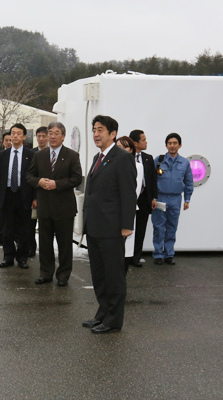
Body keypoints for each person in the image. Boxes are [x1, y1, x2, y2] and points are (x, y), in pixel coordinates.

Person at [82, 115, 136, 334]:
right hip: (95, 227)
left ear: (113, 134)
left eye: (100, 130)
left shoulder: (122, 158)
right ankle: (102, 313)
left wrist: (126, 225)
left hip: (112, 228)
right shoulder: (98, 156)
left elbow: (128, 194)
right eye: (94, 129)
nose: (96, 133)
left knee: (114, 277)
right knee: (99, 275)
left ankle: (113, 320)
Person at [26, 122, 82, 286]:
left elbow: (76, 178)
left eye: (56, 133)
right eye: (50, 132)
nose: (52, 136)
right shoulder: (39, 155)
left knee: (64, 244)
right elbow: (29, 176)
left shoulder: (72, 155)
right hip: (44, 207)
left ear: (63, 136)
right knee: (45, 243)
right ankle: (46, 273)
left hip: (64, 207)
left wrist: (57, 184)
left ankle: (63, 275)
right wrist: (39, 181)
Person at [0, 124, 36, 269]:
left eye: (18, 133)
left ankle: (22, 258)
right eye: (13, 133)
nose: (15, 136)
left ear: (24, 137)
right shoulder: (1, 155)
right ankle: (8, 257)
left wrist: (35, 198)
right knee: (7, 229)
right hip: (7, 195)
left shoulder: (32, 155)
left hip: (24, 195)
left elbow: (36, 177)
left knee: (24, 229)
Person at [151, 133, 194, 265]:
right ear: (166, 145)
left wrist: (187, 199)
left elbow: (189, 182)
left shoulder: (185, 162)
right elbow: (152, 181)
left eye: (175, 143)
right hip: (160, 197)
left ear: (179, 145)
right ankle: (158, 254)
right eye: (170, 143)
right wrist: (152, 197)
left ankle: (169, 254)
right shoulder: (159, 160)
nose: (172, 145)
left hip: (176, 199)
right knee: (158, 227)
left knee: (171, 227)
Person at [129, 130, 158, 267]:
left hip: (144, 198)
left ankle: (136, 257)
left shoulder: (148, 158)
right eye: (143, 140)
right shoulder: (125, 157)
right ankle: (125, 256)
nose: (146, 142)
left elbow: (152, 180)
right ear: (135, 143)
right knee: (128, 228)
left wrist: (154, 198)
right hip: (129, 198)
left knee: (141, 229)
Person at [115, 136, 144, 273]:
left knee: (126, 249)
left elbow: (134, 191)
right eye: (118, 146)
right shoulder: (111, 163)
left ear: (131, 149)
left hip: (128, 210)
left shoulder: (137, 166)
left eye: (125, 147)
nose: (121, 150)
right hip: (111, 212)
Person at [29, 126, 49, 256]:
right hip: (33, 195)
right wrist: (33, 197)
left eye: (43, 136)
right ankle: (31, 248)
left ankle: (45, 250)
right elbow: (29, 176)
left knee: (45, 227)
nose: (41, 139)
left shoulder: (52, 153)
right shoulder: (31, 153)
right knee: (30, 224)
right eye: (39, 136)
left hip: (48, 196)